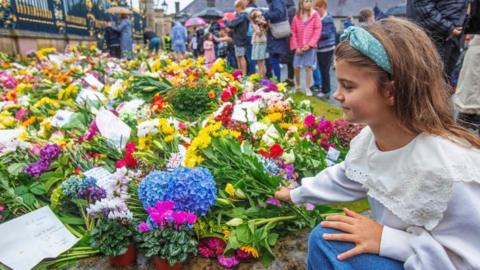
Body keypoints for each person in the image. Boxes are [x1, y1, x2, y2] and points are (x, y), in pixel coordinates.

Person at [275, 18, 480, 269]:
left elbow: (467, 259)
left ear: (390, 92)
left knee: (327, 242)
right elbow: (349, 175)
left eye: (348, 86)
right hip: (410, 254)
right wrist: (295, 193)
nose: (337, 95)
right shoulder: (372, 141)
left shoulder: (448, 171)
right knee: (325, 237)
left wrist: (387, 240)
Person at [407, 0, 469, 87]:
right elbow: (421, 6)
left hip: (451, 36)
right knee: (427, 85)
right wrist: (447, 28)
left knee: (442, 84)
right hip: (434, 37)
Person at [290, 0, 322, 95]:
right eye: (306, 1)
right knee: (296, 67)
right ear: (301, 3)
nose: (309, 3)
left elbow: (317, 31)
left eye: (310, 1)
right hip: (299, 46)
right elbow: (293, 32)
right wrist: (296, 47)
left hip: (310, 47)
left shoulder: (315, 15)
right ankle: (298, 86)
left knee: (309, 68)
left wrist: (309, 45)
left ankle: (308, 88)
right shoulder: (296, 17)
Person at [312, 0, 336, 98]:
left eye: (317, 8)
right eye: (315, 9)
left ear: (323, 7)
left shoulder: (328, 19)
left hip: (326, 49)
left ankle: (326, 91)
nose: (316, 11)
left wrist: (314, 34)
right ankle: (323, 88)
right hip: (319, 48)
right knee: (321, 69)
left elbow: (327, 34)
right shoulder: (319, 18)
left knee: (324, 70)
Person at [263, 0, 290, 81]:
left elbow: (278, 13)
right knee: (275, 59)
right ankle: (277, 80)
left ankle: (277, 81)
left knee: (274, 60)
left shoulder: (276, 1)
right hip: (277, 34)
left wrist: (265, 14)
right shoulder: (278, 2)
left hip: (276, 34)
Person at [225, 0, 249, 75]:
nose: (235, 9)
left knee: (241, 57)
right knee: (238, 57)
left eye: (236, 7)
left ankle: (243, 74)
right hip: (238, 39)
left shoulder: (242, 16)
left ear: (239, 6)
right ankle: (240, 73)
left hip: (240, 39)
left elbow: (232, 24)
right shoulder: (242, 16)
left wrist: (226, 21)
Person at [250, 9, 269, 77]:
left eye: (261, 15)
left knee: (261, 63)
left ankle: (262, 78)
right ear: (254, 18)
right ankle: (261, 78)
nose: (260, 17)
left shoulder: (263, 23)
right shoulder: (254, 24)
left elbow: (260, 33)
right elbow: (258, 32)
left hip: (261, 43)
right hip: (257, 43)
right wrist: (260, 25)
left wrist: (262, 26)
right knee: (259, 63)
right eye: (258, 16)